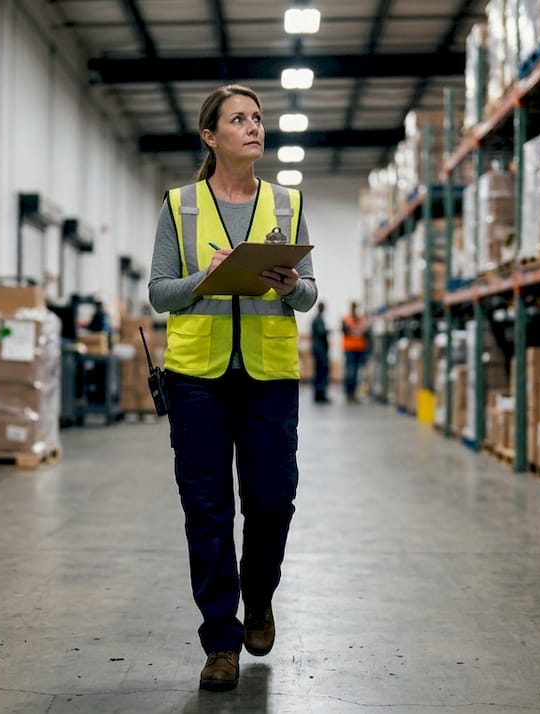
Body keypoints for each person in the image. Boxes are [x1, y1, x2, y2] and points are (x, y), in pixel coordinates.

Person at [147, 84, 318, 692]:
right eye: (239, 119)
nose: (253, 127)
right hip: (198, 379)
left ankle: (260, 597)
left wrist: (291, 282)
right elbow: (160, 291)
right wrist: (206, 277)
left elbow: (310, 294)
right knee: (208, 511)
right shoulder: (180, 205)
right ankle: (220, 640)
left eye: (258, 118)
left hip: (270, 376)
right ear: (211, 136)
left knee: (272, 501)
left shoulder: (288, 203)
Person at [342, 301, 369, 403]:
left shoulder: (361, 320)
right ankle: (348, 394)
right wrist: (358, 332)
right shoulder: (346, 319)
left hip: (359, 349)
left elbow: (365, 332)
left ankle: (354, 394)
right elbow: (345, 331)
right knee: (350, 372)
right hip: (349, 349)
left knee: (357, 373)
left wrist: (357, 332)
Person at [311, 302, 330, 403]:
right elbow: (321, 332)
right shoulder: (318, 319)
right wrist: (328, 331)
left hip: (318, 348)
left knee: (319, 371)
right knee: (321, 371)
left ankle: (320, 393)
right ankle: (320, 393)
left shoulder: (317, 318)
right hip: (320, 349)